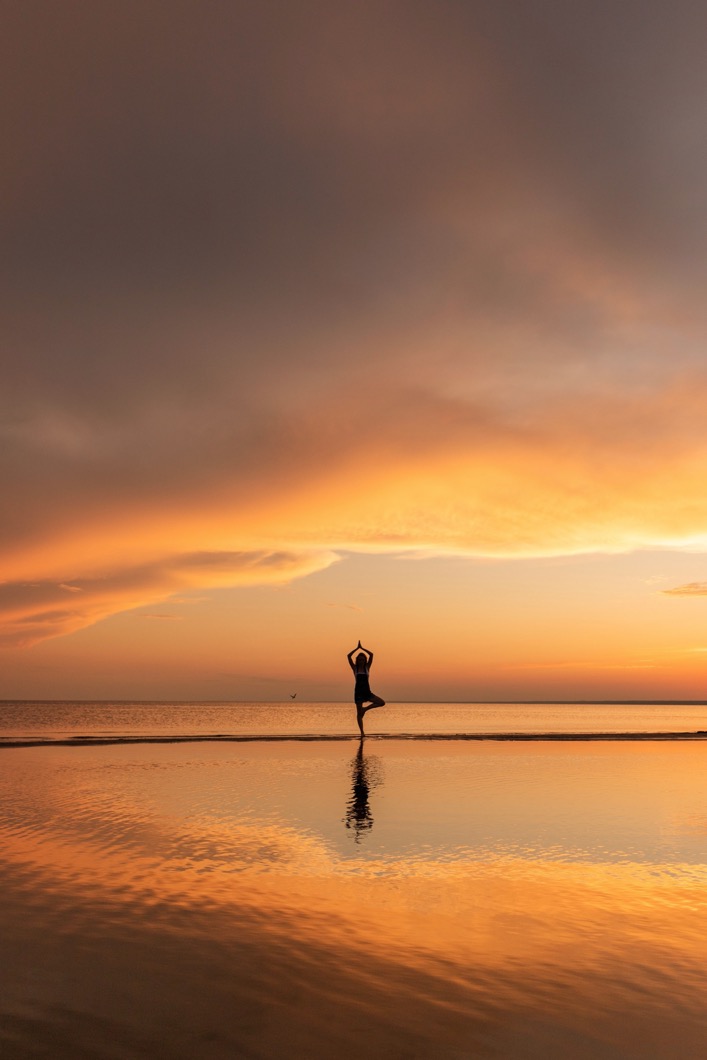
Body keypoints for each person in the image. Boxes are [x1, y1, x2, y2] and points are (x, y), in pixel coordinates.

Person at [346, 640, 385, 737]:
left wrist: (362, 648)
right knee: (359, 714)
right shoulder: (354, 668)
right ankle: (362, 733)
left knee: (381, 702)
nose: (361, 661)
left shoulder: (367, 667)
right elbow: (348, 656)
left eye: (363, 659)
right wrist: (357, 649)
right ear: (357, 660)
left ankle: (365, 709)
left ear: (365, 660)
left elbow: (371, 655)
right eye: (359, 659)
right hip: (358, 692)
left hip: (367, 692)